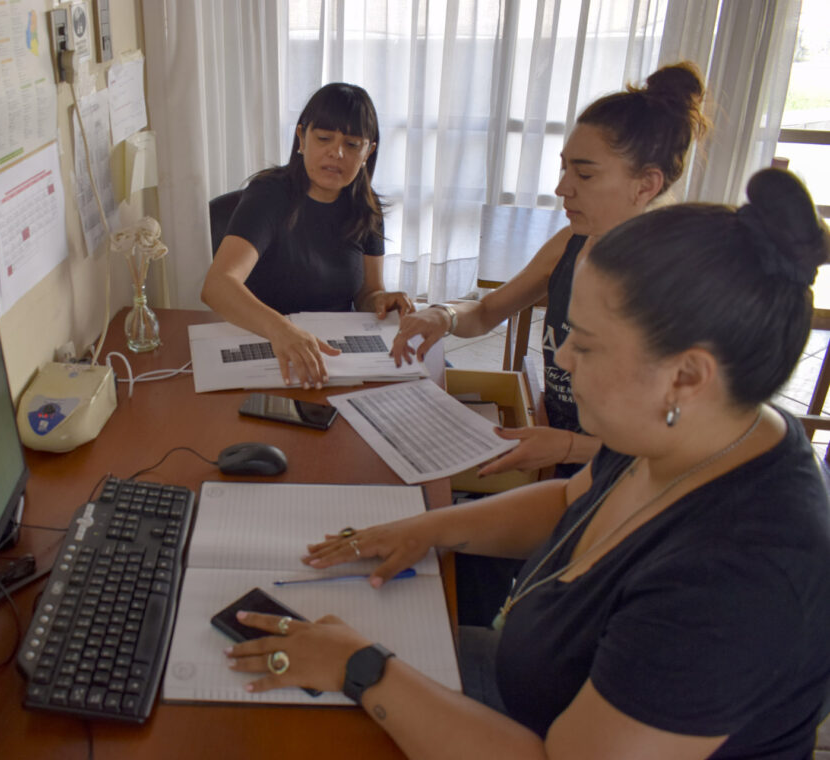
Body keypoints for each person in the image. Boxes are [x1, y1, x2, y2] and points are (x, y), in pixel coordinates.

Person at [225, 168, 830, 759]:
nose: (561, 356)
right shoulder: (695, 425)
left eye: (585, 344)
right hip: (537, 693)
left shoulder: (740, 581)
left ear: (686, 375)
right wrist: (424, 529)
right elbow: (572, 500)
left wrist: (361, 667)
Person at [391, 62, 707, 478]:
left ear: (646, 185)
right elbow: (488, 312)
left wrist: (570, 447)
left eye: (585, 173)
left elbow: (677, 447)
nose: (562, 188)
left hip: (612, 472)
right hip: (554, 441)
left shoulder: (672, 283)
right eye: (564, 168)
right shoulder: (573, 242)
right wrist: (444, 315)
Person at [201, 82, 413, 390]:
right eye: (324, 138)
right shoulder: (270, 195)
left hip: (335, 352)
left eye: (352, 144)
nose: (336, 152)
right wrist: (281, 329)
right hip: (268, 344)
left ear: (369, 151)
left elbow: (367, 294)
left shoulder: (367, 209)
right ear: (302, 138)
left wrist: (382, 300)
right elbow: (217, 285)